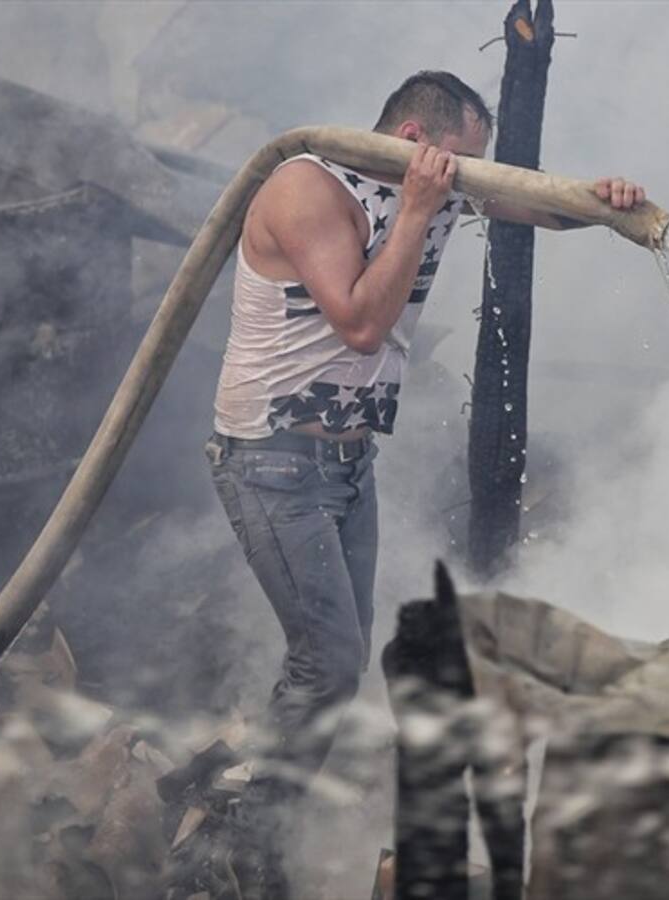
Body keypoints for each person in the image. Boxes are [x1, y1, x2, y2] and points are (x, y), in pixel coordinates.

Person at [201, 70, 645, 894]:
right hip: (272, 461)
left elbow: (525, 201)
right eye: (458, 165)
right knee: (330, 660)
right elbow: (363, 325)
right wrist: (415, 209)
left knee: (336, 654)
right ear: (413, 143)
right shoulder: (307, 188)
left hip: (345, 464)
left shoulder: (437, 184)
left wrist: (601, 203)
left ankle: (262, 817)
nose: (463, 184)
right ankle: (243, 838)